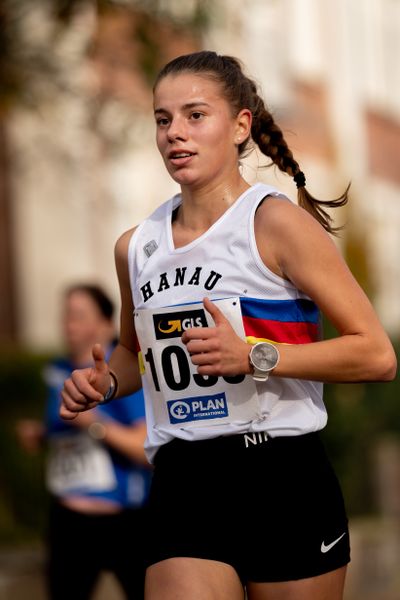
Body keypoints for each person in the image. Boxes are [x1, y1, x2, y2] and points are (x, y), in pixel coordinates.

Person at [59, 51, 397, 600]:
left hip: (282, 478)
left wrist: (254, 355)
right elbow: (132, 350)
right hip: (184, 479)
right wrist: (105, 383)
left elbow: (377, 355)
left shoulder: (276, 223)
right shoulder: (136, 246)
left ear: (240, 125)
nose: (175, 134)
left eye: (195, 115)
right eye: (163, 120)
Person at [17, 283, 151, 600]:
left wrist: (94, 426)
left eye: (78, 316)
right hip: (67, 516)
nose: (68, 324)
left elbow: (145, 448)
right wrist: (44, 433)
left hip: (123, 519)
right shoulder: (58, 370)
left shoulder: (122, 375)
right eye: (65, 316)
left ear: (106, 323)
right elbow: (69, 427)